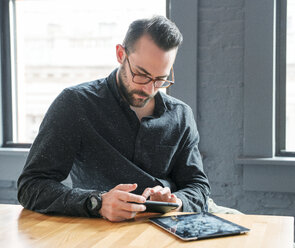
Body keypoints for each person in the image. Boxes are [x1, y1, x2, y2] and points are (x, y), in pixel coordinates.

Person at [17, 16, 210, 222]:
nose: (149, 89)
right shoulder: (76, 104)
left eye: (160, 79)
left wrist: (175, 201)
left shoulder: (181, 114)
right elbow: (31, 186)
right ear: (120, 54)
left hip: (171, 224)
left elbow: (198, 187)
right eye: (141, 74)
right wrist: (98, 202)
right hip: (102, 227)